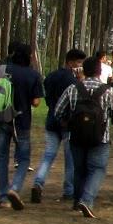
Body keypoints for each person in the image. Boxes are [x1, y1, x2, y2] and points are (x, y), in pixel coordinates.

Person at [53, 53, 113, 219]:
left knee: (79, 170)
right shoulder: (108, 91)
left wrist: (69, 124)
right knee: (97, 169)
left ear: (83, 70)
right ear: (100, 72)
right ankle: (87, 200)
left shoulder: (73, 89)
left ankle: (77, 201)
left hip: (76, 137)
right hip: (101, 138)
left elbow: (58, 112)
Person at [0, 41, 44, 210]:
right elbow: (36, 102)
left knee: (2, 157)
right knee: (23, 159)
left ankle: (3, 197)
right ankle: (14, 188)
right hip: (22, 120)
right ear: (29, 56)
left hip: (2, 117)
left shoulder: (2, 70)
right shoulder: (33, 75)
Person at [32, 48, 84, 203]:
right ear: (71, 62)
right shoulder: (74, 81)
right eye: (79, 62)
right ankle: (68, 191)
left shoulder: (51, 76)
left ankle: (38, 183)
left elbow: (47, 98)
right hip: (68, 124)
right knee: (70, 160)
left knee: (48, 155)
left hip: (52, 120)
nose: (80, 66)